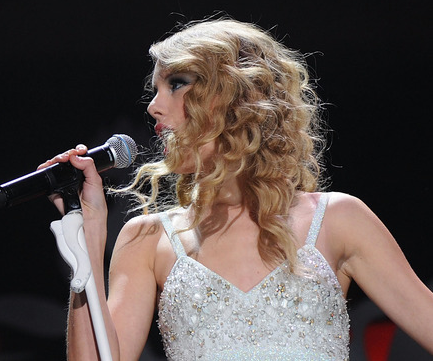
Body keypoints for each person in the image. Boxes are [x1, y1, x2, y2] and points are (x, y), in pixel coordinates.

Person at [40, 18, 433, 360]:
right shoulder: (146, 238)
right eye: (156, 89)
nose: (154, 106)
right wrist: (87, 240)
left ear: (237, 96)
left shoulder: (339, 219)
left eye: (176, 83)